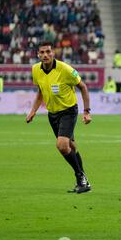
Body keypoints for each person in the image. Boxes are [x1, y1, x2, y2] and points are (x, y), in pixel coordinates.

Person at [26, 41, 92, 194]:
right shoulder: (35, 69)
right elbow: (40, 91)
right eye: (42, 52)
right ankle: (83, 182)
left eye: (48, 52)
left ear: (53, 53)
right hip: (53, 114)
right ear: (38, 54)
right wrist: (33, 111)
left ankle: (80, 176)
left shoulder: (65, 69)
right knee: (72, 147)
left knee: (62, 146)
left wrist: (87, 111)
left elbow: (83, 87)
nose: (45, 55)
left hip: (68, 111)